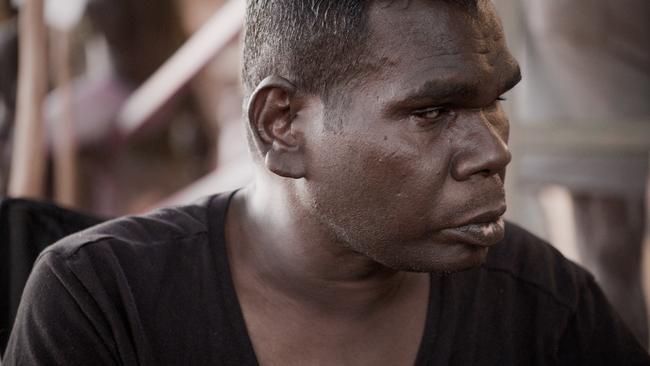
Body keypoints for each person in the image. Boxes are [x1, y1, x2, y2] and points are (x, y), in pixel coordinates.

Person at [3, 0, 649, 364]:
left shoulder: (545, 306)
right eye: (432, 111)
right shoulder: (100, 301)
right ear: (281, 125)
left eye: (493, 102)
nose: (493, 150)